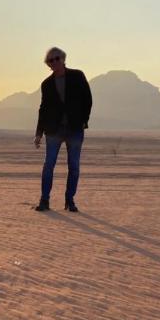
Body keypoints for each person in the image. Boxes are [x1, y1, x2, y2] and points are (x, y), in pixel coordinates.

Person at [34, 47, 92, 212]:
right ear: (48, 64)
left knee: (73, 166)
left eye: (57, 58)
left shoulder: (77, 76)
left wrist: (83, 121)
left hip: (75, 129)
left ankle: (69, 200)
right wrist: (38, 133)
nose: (54, 62)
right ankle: (44, 200)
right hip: (53, 131)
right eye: (50, 60)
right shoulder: (46, 84)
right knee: (48, 165)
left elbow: (88, 100)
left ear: (63, 59)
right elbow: (43, 109)